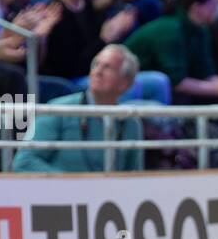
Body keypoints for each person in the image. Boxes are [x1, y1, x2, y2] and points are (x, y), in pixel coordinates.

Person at [12, 44, 144, 173]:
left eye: (107, 67)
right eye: (96, 65)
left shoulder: (130, 122)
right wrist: (72, 185)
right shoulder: (58, 109)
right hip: (59, 193)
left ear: (125, 84)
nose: (98, 71)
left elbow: (133, 175)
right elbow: (24, 162)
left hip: (108, 195)